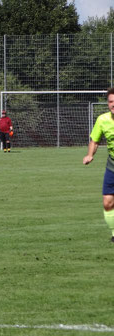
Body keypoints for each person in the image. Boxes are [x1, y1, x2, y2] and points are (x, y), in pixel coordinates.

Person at [83, 87, 114, 243]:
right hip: (112, 167)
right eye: (110, 101)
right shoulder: (102, 120)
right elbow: (95, 141)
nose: (113, 104)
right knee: (107, 202)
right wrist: (90, 155)